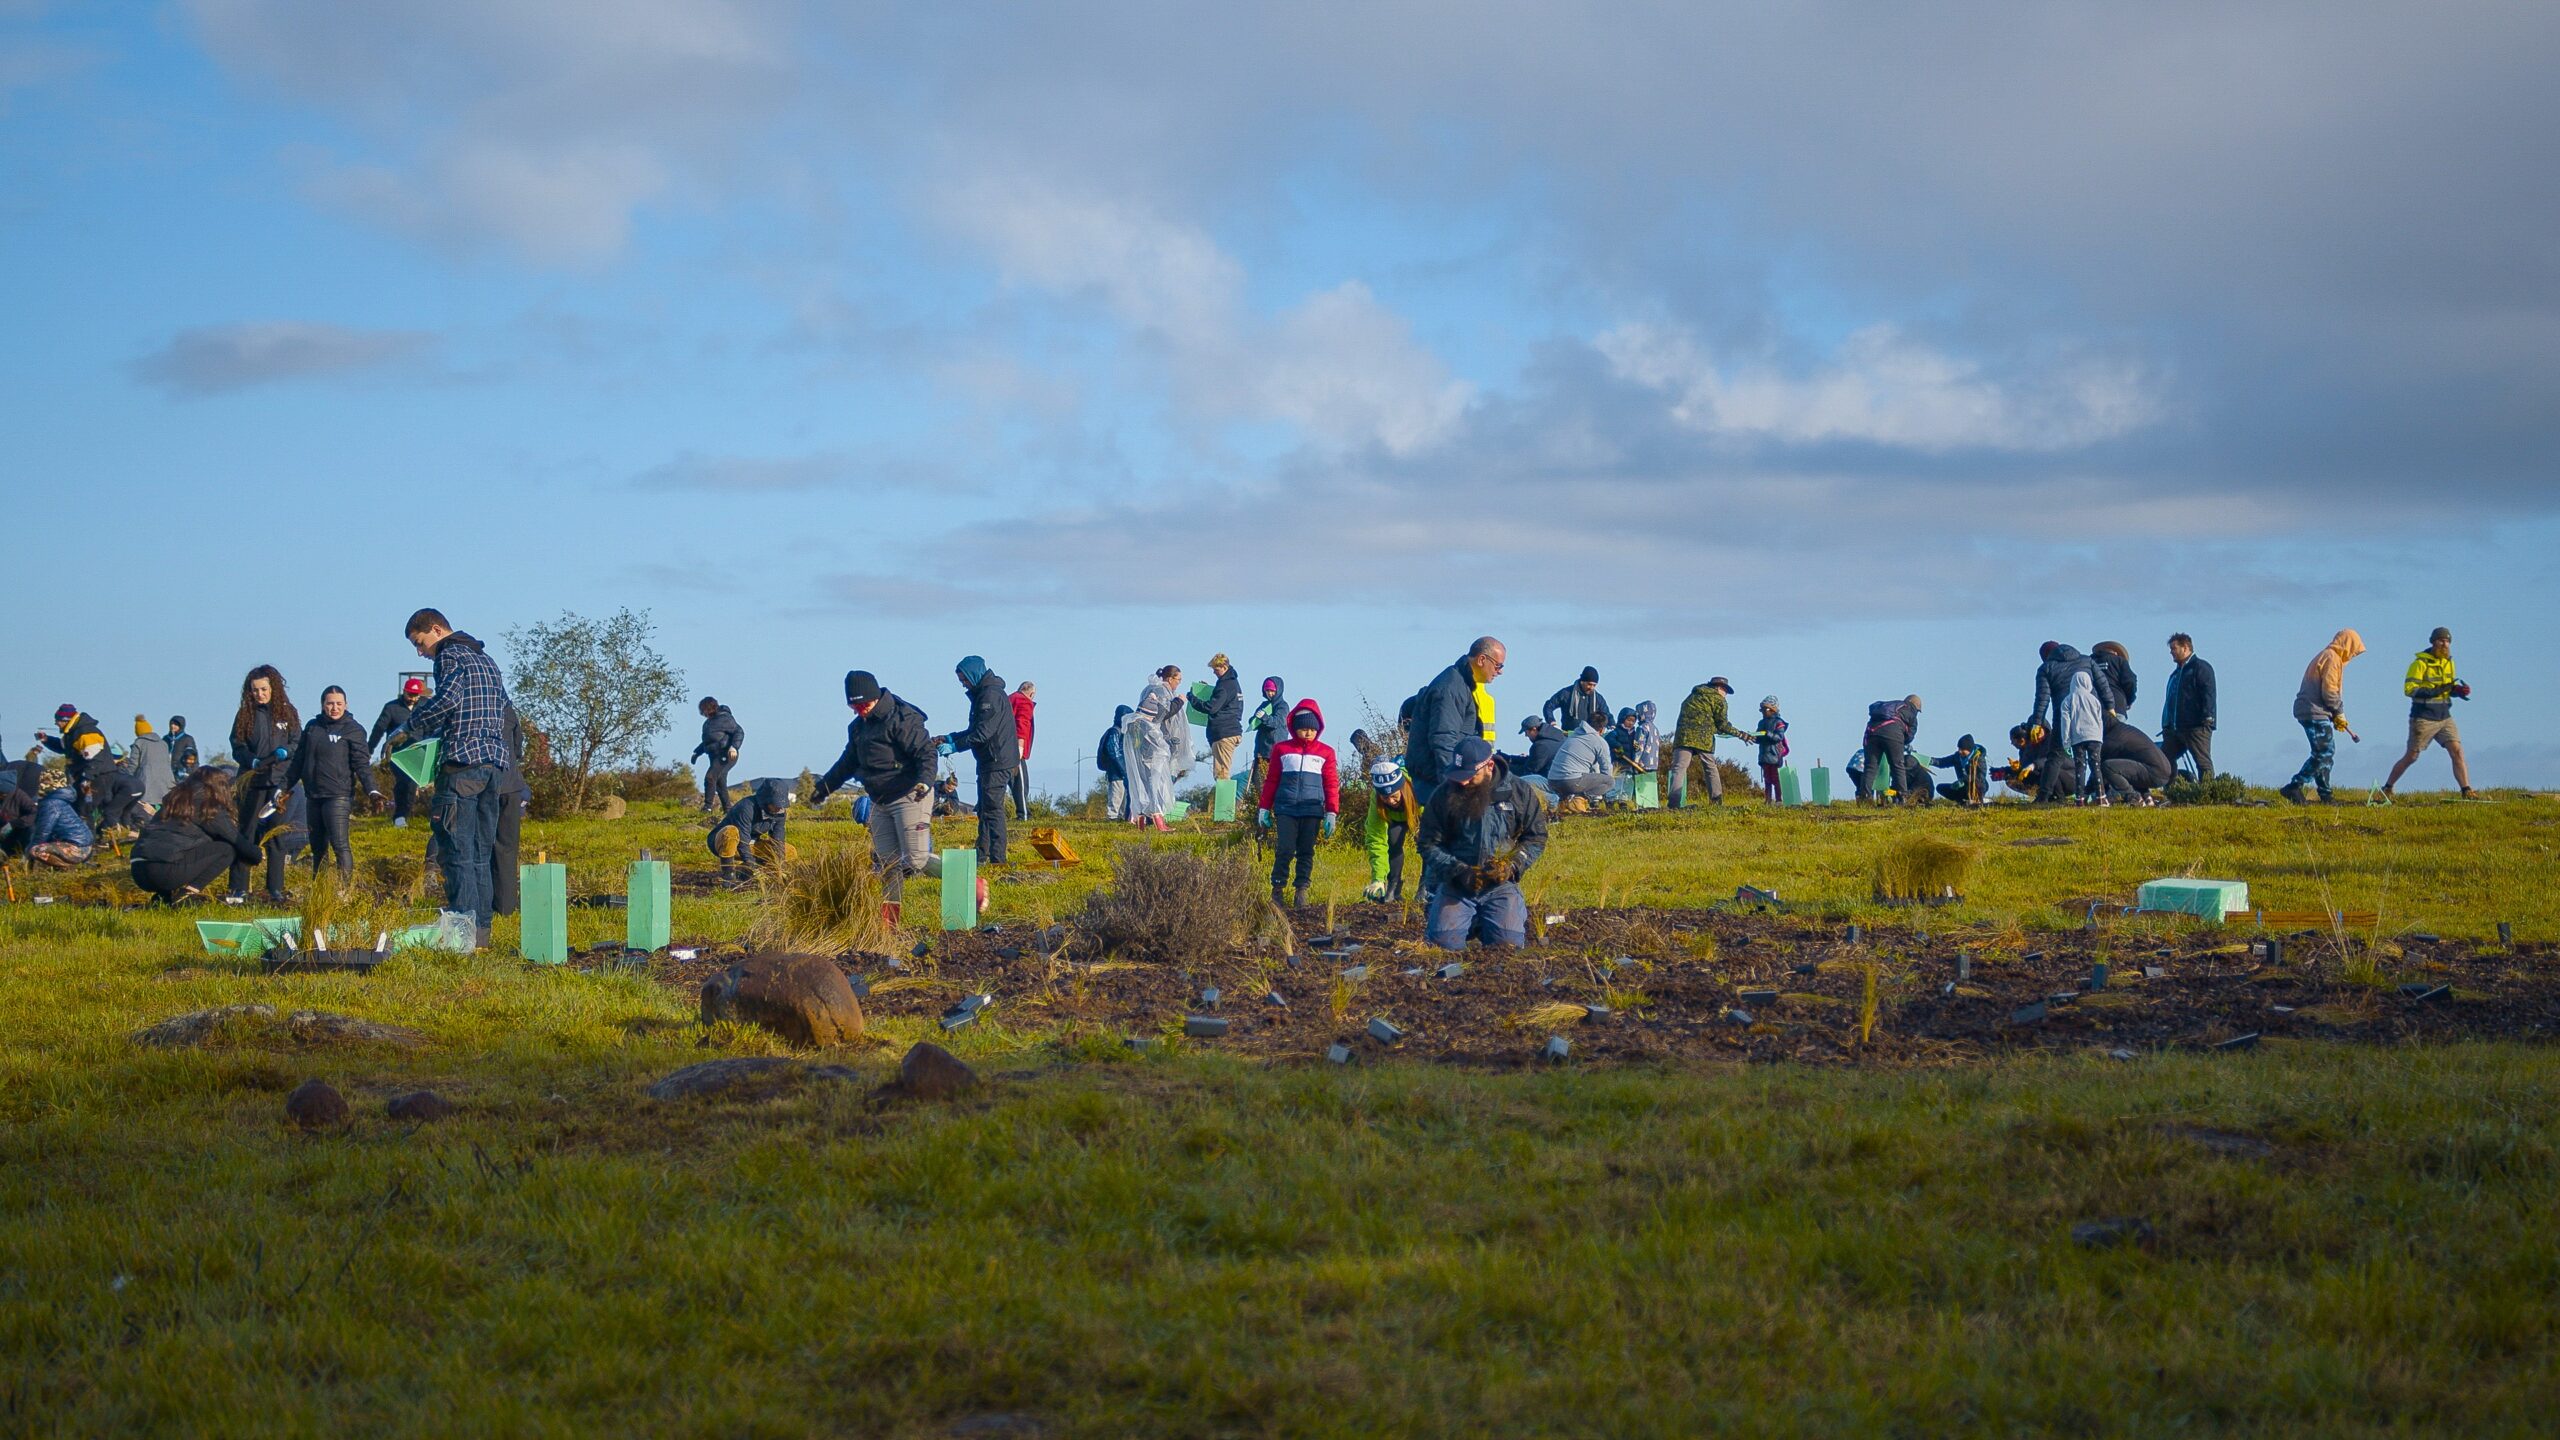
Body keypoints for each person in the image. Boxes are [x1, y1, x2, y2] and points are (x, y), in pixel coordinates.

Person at [383, 609, 513, 940]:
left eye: (420, 642)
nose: (420, 652)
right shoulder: (487, 660)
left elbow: (447, 699)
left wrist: (408, 727)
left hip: (462, 765)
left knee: (456, 853)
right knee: (481, 856)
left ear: (437, 630)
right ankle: (481, 935)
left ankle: (461, 934)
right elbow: (502, 707)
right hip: (493, 766)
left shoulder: (450, 655)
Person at [812, 670, 969, 927]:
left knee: (915, 859)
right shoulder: (858, 728)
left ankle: (966, 880)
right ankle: (889, 925)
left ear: (875, 697)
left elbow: (926, 754)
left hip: (911, 795)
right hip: (879, 801)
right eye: (853, 706)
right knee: (888, 865)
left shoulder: (902, 719)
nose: (858, 710)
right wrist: (823, 788)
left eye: (862, 704)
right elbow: (847, 762)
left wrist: (925, 781)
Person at [1418, 738, 1547, 951]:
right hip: (1456, 885)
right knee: (1442, 945)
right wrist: (1457, 870)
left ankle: (1490, 921)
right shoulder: (1443, 794)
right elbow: (1428, 843)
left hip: (1500, 886)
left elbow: (1536, 837)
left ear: (1489, 766)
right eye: (1459, 776)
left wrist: (1513, 866)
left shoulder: (1519, 792)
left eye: (1470, 776)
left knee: (1507, 946)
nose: (1463, 782)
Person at [284, 685, 382, 883]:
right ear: (322, 705)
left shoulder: (353, 730)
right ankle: (319, 891)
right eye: (330, 703)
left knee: (339, 844)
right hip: (313, 796)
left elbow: (362, 765)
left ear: (346, 705)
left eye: (338, 703)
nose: (334, 708)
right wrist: (283, 788)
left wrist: (372, 790)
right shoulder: (312, 728)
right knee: (317, 847)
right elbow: (298, 761)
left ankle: (344, 890)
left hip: (338, 796)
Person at [130, 769, 266, 903]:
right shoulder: (208, 807)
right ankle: (187, 894)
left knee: (175, 849)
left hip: (138, 870)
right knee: (227, 849)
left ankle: (162, 898)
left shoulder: (172, 803)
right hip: (165, 872)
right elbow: (236, 840)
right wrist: (258, 855)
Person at [1256, 699, 1340, 908]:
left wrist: (1331, 812)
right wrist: (1264, 808)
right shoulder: (1282, 749)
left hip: (1312, 810)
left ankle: (1301, 890)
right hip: (1286, 808)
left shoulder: (1326, 752)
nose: (1308, 733)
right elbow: (1272, 780)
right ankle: (1277, 889)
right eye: (1304, 728)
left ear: (1318, 728)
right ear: (1294, 727)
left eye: (1313, 729)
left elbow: (1331, 784)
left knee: (1306, 850)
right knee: (1284, 848)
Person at [227, 666, 300, 902]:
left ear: (273, 688)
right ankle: (238, 887)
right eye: (255, 690)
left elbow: (298, 742)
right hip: (253, 782)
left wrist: (285, 752)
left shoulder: (287, 713)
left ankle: (275, 888)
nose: (260, 694)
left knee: (276, 835)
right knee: (246, 833)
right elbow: (237, 746)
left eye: (264, 689)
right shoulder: (245, 714)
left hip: (279, 781)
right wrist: (252, 760)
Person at [2379, 626, 2477, 802]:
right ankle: (2387, 787)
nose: (2444, 644)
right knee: (2412, 756)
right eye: (2440, 640)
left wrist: (2458, 691)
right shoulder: (2419, 664)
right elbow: (2409, 689)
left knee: (2457, 750)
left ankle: (2466, 790)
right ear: (2432, 642)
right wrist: (2435, 690)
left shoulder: (2449, 662)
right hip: (2423, 718)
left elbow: (2447, 688)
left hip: (2445, 716)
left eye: (2447, 641)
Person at [939, 656, 1016, 865]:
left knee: (992, 809)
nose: (963, 684)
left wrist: (955, 747)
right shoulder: (983, 695)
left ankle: (998, 859)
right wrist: (951, 737)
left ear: (973, 675)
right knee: (984, 809)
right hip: (988, 761)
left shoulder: (989, 697)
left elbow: (983, 733)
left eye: (964, 679)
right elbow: (974, 730)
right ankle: (981, 855)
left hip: (997, 760)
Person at [1407, 638, 1505, 797]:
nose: (1500, 671)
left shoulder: (1461, 683)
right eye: (1498, 665)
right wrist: (1454, 784)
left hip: (1440, 778)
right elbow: (1443, 738)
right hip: (1435, 782)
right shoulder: (1452, 687)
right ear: (1482, 659)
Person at [2282, 629, 2365, 805]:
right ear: (2347, 645)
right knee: (2324, 752)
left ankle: (2326, 795)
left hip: (2313, 710)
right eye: (2353, 650)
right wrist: (2339, 712)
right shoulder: (2332, 659)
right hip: (2314, 711)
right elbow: (2329, 692)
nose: (2352, 655)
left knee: (2324, 753)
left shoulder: (2327, 656)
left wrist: (2335, 716)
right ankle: (2295, 786)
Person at [2028, 643, 2114, 803]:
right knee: (2097, 758)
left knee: (2055, 757)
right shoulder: (2086, 660)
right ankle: (2102, 795)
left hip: (2064, 714)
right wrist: (2110, 706)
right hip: (2091, 715)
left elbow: (2042, 698)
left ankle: (2044, 797)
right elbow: (2103, 683)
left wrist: (2037, 722)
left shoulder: (2045, 668)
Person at [1124, 665, 1190, 830]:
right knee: (1156, 781)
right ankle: (1158, 819)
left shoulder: (1148, 692)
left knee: (1144, 781)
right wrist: (1179, 701)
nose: (1178, 683)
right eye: (1178, 680)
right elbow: (1163, 714)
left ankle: (1140, 819)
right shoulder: (1160, 692)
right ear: (1170, 678)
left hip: (1144, 745)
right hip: (1155, 745)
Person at [1670, 677, 1752, 808]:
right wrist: (1741, 734)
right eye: (1725, 691)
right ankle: (1716, 801)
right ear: (1719, 688)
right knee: (1710, 768)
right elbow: (1723, 725)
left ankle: (1673, 804)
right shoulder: (1719, 700)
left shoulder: (1692, 696)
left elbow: (1699, 718)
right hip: (1703, 738)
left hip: (1683, 737)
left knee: (1679, 768)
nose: (1726, 695)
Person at [708, 778, 797, 882]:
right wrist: (751, 865)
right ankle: (728, 874)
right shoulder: (746, 808)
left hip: (751, 844)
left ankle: (753, 873)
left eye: (781, 805)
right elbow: (743, 840)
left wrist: (779, 867)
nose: (779, 808)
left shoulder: (780, 813)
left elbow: (778, 841)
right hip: (724, 842)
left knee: (790, 851)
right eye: (775, 804)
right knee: (731, 832)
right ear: (766, 800)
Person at [491, 702, 534, 918]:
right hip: (512, 785)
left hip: (484, 786)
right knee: (507, 850)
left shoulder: (469, 703)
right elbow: (518, 747)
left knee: (480, 849)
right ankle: (506, 908)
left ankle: (483, 909)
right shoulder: (506, 707)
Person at [2158, 634, 2218, 781]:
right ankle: (2173, 790)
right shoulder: (2176, 674)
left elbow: (2208, 693)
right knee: (2164, 760)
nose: (2171, 651)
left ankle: (2208, 793)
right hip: (2174, 728)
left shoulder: (2201, 668)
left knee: (2202, 761)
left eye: (2174, 648)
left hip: (2196, 726)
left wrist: (2208, 718)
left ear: (2185, 648)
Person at [1361, 757, 1420, 903]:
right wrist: (1378, 879)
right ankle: (1393, 888)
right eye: (1385, 798)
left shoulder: (1417, 788)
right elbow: (1376, 839)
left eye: (1394, 796)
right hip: (1396, 820)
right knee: (1392, 843)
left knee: (1427, 844)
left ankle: (1426, 887)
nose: (1391, 801)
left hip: (1419, 814)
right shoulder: (1377, 800)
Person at [370, 679, 425, 827]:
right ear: (404, 691)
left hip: (420, 753)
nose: (412, 697)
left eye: (415, 695)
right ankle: (400, 816)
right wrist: (369, 749)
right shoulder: (391, 708)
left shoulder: (426, 706)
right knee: (405, 782)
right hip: (398, 755)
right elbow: (379, 729)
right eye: (409, 694)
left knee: (414, 784)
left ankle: (420, 815)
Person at [1541, 717, 1616, 811]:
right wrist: (1598, 791)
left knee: (1579, 776)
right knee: (1609, 781)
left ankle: (1564, 803)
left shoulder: (1574, 735)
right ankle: (1579, 799)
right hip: (1571, 782)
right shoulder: (1599, 742)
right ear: (1602, 729)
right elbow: (1606, 768)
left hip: (1552, 780)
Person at [1859, 696, 1922, 805]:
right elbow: (1909, 737)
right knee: (1897, 765)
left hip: (1871, 732)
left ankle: (1865, 798)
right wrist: (1898, 743)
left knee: (1870, 766)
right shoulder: (1911, 712)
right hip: (1893, 733)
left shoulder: (1891, 706)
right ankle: (1902, 797)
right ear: (1916, 706)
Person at [2100, 719, 2175, 805]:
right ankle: (2147, 798)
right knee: (2128, 767)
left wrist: (2086, 792)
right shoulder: (2125, 730)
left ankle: (2134, 797)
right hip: (2163, 771)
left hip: (2155, 773)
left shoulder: (2113, 738)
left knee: (2108, 767)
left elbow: (2099, 768)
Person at [689, 696, 744, 814]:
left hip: (726, 755)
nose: (703, 713)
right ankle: (728, 810)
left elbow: (739, 732)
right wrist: (696, 753)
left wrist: (734, 747)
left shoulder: (725, 718)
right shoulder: (708, 723)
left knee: (710, 777)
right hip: (714, 756)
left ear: (710, 708)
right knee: (719, 782)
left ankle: (707, 807)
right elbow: (707, 742)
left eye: (704, 710)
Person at [25, 784, 96, 869]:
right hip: (84, 846)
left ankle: (68, 868)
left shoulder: (51, 804)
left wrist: (30, 849)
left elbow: (43, 831)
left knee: (36, 850)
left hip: (76, 848)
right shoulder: (60, 801)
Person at [1203, 655, 1245, 783]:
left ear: (1224, 667)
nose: (1214, 672)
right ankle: (1224, 801)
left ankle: (1225, 803)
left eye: (1216, 669)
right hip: (1232, 730)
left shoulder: (1225, 685)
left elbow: (1212, 707)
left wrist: (1194, 700)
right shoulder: (1233, 684)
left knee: (1221, 774)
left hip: (1224, 732)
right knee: (1222, 771)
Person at [126, 716, 176, 812]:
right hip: (167, 782)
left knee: (143, 810)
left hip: (147, 782)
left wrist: (126, 779)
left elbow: (133, 765)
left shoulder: (139, 742)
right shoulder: (163, 743)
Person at [1248, 676, 1287, 797]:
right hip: (1261, 751)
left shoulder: (1282, 706)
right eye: (1267, 691)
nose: (1270, 693)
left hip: (1274, 751)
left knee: (1274, 785)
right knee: (1258, 786)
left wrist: (1264, 717)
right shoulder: (1264, 705)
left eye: (1272, 691)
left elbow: (1277, 722)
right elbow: (1253, 721)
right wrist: (1254, 719)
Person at [1542, 666, 1610, 733]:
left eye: (1594, 685)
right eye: (1589, 684)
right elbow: (1548, 706)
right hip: (1568, 737)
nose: (1591, 688)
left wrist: (1612, 726)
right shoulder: (1566, 693)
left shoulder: (1598, 698)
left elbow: (1606, 714)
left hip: (1590, 737)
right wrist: (1552, 722)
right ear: (1582, 681)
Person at [1930, 734, 1991, 807]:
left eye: (1962, 749)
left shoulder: (1979, 759)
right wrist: (1929, 761)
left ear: (1969, 749)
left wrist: (1963, 780)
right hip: (1962, 788)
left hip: (1977, 787)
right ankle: (1962, 803)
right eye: (1959, 748)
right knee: (1940, 788)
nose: (1959, 751)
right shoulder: (1957, 757)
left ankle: (1978, 800)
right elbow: (1942, 762)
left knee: (1975, 784)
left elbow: (1980, 777)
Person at [1750, 697, 1790, 803]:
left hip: (1774, 755)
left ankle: (1778, 800)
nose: (1763, 712)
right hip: (1764, 754)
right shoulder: (1761, 723)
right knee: (1767, 779)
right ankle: (1767, 800)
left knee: (1775, 779)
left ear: (1772, 709)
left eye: (1765, 709)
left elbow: (1779, 737)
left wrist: (1768, 733)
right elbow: (1759, 738)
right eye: (1762, 710)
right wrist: (1754, 737)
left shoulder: (1779, 722)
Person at [1008, 681, 1036, 820]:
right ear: (1031, 693)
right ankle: (1023, 814)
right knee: (1021, 783)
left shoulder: (1009, 699)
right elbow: (1022, 727)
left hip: (1002, 748)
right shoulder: (1024, 702)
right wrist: (1019, 751)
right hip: (1014, 749)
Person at [1098, 705, 1131, 818]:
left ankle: (1120, 816)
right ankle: (1112, 816)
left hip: (1120, 770)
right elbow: (1114, 752)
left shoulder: (1119, 732)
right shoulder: (1114, 732)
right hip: (1116, 771)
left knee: (1122, 795)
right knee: (1117, 795)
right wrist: (1123, 769)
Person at [2091, 642, 2138, 719]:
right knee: (2116, 730)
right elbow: (2130, 682)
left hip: (2093, 706)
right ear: (2115, 652)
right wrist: (2129, 700)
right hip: (2116, 705)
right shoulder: (2119, 661)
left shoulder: (2089, 662)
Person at [164, 715, 198, 780]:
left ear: (181, 726)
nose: (172, 726)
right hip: (166, 771)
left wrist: (192, 773)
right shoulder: (165, 739)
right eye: (172, 724)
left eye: (176, 724)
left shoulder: (187, 739)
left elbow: (193, 758)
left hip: (182, 773)